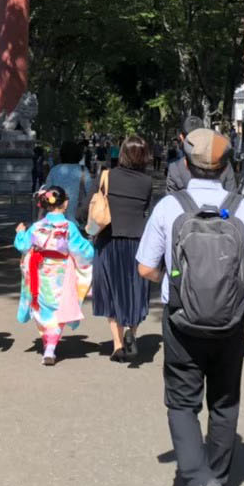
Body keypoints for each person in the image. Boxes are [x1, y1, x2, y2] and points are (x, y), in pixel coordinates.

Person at [137, 129, 244, 486]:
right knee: (224, 398)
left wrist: (177, 277)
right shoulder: (243, 209)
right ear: (227, 166)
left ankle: (198, 481)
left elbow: (145, 268)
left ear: (185, 164)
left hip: (181, 320)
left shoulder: (169, 207)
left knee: (182, 401)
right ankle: (216, 476)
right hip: (232, 323)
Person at [91, 133, 154, 362]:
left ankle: (117, 345)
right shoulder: (147, 182)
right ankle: (132, 332)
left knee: (111, 290)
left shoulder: (107, 176)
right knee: (136, 290)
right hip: (138, 241)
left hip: (108, 239)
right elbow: (146, 209)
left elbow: (93, 203)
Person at [15, 186, 94, 365]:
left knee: (42, 306)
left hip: (40, 270)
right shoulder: (69, 227)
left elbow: (23, 245)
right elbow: (83, 251)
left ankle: (48, 344)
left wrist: (20, 233)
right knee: (59, 307)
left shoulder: (37, 226)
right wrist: (92, 249)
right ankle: (50, 347)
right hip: (61, 272)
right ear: (65, 203)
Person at [165, 116, 239, 194]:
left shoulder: (175, 169)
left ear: (182, 137)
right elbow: (232, 196)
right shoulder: (224, 165)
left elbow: (171, 200)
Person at [47, 140, 90, 222]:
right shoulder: (83, 170)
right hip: (77, 217)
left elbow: (48, 193)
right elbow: (90, 193)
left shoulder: (54, 170)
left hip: (56, 217)